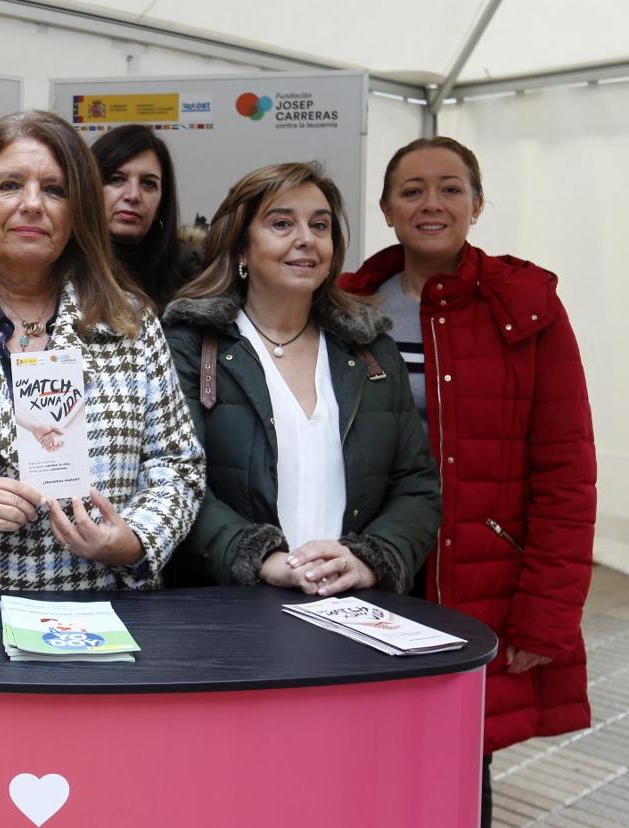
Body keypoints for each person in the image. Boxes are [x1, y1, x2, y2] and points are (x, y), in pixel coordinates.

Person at [340, 137, 596, 827]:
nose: (432, 204)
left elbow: (567, 470)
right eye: (412, 190)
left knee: (457, 768)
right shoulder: (344, 307)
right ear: (387, 208)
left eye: (451, 188)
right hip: (368, 569)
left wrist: (547, 613)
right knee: (356, 760)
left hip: (478, 576)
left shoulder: (526, 306)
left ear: (477, 205)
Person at [0, 111, 204, 591]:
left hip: (102, 607)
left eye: (55, 190)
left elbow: (178, 466)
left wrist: (133, 541)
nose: (31, 205)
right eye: (8, 185)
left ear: (80, 210)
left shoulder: (130, 324)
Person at [162, 162, 440, 597]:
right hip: (230, 613)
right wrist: (263, 561)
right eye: (281, 223)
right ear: (240, 248)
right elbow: (174, 482)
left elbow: (417, 485)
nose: (306, 239)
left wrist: (369, 559)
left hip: (353, 612)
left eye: (320, 225)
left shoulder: (371, 350)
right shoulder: (192, 348)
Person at [91, 124, 201, 309]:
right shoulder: (55, 271)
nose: (133, 195)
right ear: (88, 187)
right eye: (116, 179)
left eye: (148, 184)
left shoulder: (191, 278)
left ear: (162, 202)